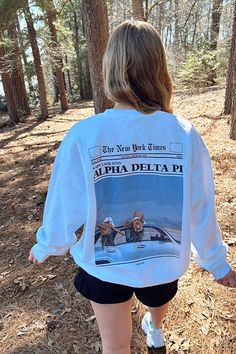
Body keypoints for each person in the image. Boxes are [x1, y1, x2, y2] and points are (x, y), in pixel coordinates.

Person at [29, 20, 236, 354]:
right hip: (163, 262)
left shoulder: (85, 134)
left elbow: (66, 201)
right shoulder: (184, 134)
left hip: (104, 269)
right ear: (159, 69)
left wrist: (48, 244)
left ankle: (154, 326)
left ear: (111, 67)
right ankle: (155, 327)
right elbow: (201, 205)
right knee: (156, 305)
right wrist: (216, 262)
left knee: (116, 346)